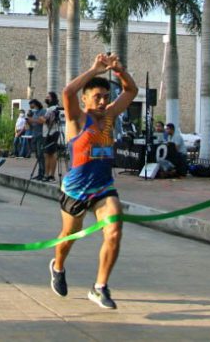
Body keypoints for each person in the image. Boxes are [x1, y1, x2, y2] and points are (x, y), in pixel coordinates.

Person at [50, 53, 138, 310]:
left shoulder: (110, 116)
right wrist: (94, 70)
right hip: (76, 191)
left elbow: (131, 90)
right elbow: (67, 91)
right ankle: (58, 267)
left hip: (103, 188)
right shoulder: (77, 119)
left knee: (114, 229)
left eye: (105, 97)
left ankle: (99, 287)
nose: (102, 102)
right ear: (86, 98)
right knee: (68, 237)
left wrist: (119, 71)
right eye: (96, 97)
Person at [43, 92, 62, 182]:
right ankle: (49, 175)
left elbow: (49, 121)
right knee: (49, 154)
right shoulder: (52, 108)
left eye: (48, 97)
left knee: (50, 154)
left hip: (51, 133)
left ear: (53, 98)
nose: (46, 98)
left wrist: (42, 119)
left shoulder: (53, 109)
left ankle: (49, 175)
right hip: (50, 133)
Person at [26, 99, 47, 180]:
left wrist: (33, 120)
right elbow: (32, 125)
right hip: (34, 135)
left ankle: (42, 173)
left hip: (41, 135)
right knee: (37, 155)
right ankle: (39, 172)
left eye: (32, 106)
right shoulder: (34, 113)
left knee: (41, 154)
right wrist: (28, 122)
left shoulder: (43, 111)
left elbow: (42, 121)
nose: (31, 108)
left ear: (35, 104)